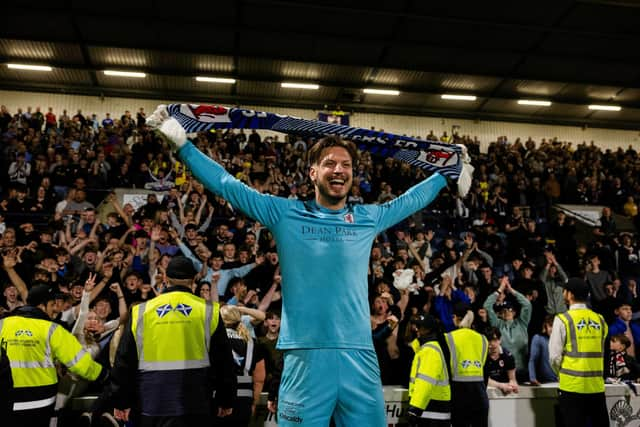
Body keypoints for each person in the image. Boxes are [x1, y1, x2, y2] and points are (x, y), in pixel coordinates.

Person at [152, 112, 463, 426]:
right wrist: (184, 147)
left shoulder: (368, 217)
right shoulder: (285, 213)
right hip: (304, 357)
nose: (339, 170)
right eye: (329, 163)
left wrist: (448, 172)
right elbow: (228, 186)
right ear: (313, 173)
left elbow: (411, 200)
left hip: (360, 356)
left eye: (346, 165)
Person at [95, 256, 237, 426]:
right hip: (196, 401)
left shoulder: (142, 311)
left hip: (152, 401)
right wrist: (225, 399)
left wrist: (121, 401)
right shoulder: (209, 311)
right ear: (193, 280)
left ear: (166, 279)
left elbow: (124, 361)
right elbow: (223, 361)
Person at [0, 284, 105, 426]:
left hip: (6, 399)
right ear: (43, 305)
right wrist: (105, 375)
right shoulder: (52, 329)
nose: (53, 310)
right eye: (52, 305)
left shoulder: (2, 325)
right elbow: (81, 364)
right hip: (40, 401)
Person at [549, 278, 608, 427]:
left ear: (569, 295)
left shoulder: (562, 319)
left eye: (564, 290)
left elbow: (554, 357)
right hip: (596, 387)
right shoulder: (600, 319)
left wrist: (560, 373)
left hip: (571, 387)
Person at [217, 305, 266, 427]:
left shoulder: (214, 340)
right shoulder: (252, 342)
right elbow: (259, 379)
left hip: (219, 398)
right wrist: (254, 403)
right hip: (244, 400)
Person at [445, 302, 489, 427]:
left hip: (459, 393)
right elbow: (485, 369)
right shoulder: (483, 338)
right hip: (480, 393)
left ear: (456, 317)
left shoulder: (449, 337)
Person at [406, 313, 451, 427]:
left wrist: (415, 409)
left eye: (420, 327)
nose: (416, 329)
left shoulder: (430, 350)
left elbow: (425, 382)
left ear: (428, 330)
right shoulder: (426, 348)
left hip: (431, 412)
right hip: (431, 412)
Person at [484, 327, 518, 395]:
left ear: (500, 340)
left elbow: (512, 379)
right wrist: (501, 385)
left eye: (495, 340)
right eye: (489, 340)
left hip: (505, 392)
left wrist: (512, 384)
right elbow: (484, 379)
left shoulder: (508, 356)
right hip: (487, 391)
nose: (492, 344)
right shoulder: (482, 357)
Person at [528, 315, 558, 384]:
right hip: (546, 382)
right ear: (545, 327)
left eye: (556, 326)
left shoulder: (565, 340)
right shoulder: (538, 339)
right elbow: (533, 360)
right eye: (550, 326)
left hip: (563, 381)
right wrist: (532, 378)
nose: (553, 329)